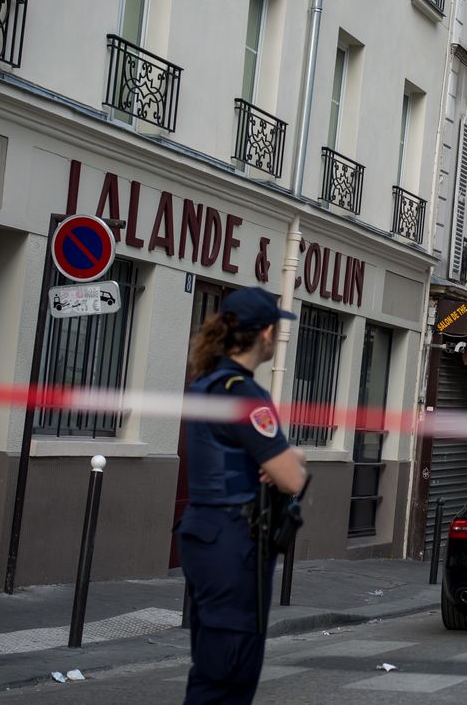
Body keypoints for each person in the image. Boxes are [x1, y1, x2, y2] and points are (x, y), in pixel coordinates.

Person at [178, 286, 307, 705]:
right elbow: (291, 479)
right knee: (229, 674)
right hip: (235, 542)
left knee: (215, 662)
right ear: (265, 332)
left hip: (206, 532)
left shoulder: (206, 383)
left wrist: (275, 461)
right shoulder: (243, 392)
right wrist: (290, 461)